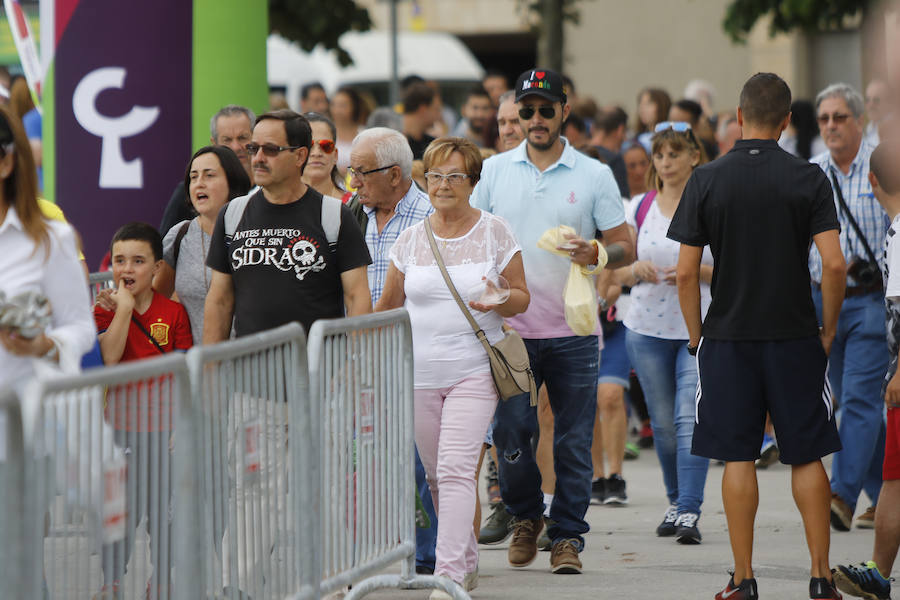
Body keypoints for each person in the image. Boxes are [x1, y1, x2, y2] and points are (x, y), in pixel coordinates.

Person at [669, 72, 845, 600]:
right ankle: (820, 578)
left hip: (727, 337)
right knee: (807, 454)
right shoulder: (809, 177)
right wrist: (827, 333)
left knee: (738, 456)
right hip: (794, 335)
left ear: (739, 117)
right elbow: (833, 266)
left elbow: (683, 272)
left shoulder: (706, 179)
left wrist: (699, 338)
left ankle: (744, 579)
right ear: (788, 122)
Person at [471, 67, 634, 575]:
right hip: (511, 333)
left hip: (573, 331)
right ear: (516, 114)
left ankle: (567, 537)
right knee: (513, 438)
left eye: (546, 109)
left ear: (566, 110)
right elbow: (473, 239)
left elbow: (625, 241)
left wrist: (598, 251)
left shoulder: (593, 174)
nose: (536, 119)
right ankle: (525, 518)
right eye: (527, 109)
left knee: (571, 441)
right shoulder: (495, 171)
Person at [376, 136, 529, 598]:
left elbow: (522, 298)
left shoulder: (494, 231)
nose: (443, 185)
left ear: (472, 182)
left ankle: (446, 576)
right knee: (437, 475)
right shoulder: (410, 239)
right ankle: (464, 562)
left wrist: (502, 298)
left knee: (458, 469)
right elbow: (388, 306)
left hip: (473, 370)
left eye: (454, 176)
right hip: (419, 374)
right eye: (436, 176)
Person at [349, 126, 437, 573]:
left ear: (396, 174)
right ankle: (382, 548)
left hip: (419, 355)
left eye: (361, 172)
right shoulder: (353, 214)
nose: (354, 182)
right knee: (374, 458)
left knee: (423, 462)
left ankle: (426, 558)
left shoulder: (431, 217)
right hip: (363, 359)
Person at [618, 121, 712, 543]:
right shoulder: (639, 206)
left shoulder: (712, 202)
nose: (666, 161)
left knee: (689, 418)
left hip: (700, 326)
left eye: (675, 153)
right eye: (660, 154)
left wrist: (697, 272)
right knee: (663, 422)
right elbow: (611, 270)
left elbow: (736, 265)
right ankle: (675, 501)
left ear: (694, 156)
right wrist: (632, 269)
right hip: (647, 327)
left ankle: (690, 510)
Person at [204, 109, 372, 341]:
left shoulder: (334, 215)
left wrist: (355, 364)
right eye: (254, 148)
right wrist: (211, 369)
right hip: (248, 371)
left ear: (300, 156)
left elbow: (357, 298)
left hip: (316, 371)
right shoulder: (232, 213)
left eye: (271, 149)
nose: (258, 158)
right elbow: (220, 300)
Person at [93, 222, 192, 598]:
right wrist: (123, 309)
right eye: (119, 261)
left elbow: (182, 371)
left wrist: (178, 425)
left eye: (137, 261)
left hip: (162, 432)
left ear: (157, 268)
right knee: (120, 512)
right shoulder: (105, 311)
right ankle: (112, 581)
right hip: (119, 431)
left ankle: (161, 581)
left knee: (163, 516)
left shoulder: (174, 313)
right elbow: (110, 355)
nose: (127, 269)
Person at [809, 83, 889, 533]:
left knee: (857, 401)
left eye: (840, 117)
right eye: (824, 119)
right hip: (822, 299)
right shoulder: (812, 172)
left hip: (872, 301)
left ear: (859, 120)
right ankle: (884, 495)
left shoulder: (883, 163)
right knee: (853, 403)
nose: (831, 126)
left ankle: (839, 494)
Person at [833, 139, 900, 600]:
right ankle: (878, 572)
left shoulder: (899, 237)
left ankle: (878, 573)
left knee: (895, 477)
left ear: (871, 181)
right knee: (893, 478)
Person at [0, 104, 94, 390]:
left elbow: (80, 328)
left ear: (7, 163)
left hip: (22, 422)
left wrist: (44, 346)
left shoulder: (51, 239)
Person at [154, 146, 251, 343]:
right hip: (197, 366)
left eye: (209, 176)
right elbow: (154, 300)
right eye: (194, 177)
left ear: (231, 181)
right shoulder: (180, 235)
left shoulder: (255, 233)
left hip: (253, 364)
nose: (199, 184)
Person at [159, 105, 256, 235]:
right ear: (214, 143)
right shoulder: (188, 192)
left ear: (255, 139)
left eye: (242, 138)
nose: (236, 146)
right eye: (227, 140)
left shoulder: (267, 190)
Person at [302, 112, 350, 202]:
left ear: (335, 155)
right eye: (308, 145)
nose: (316, 153)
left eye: (326, 146)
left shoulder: (353, 206)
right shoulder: (279, 204)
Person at [592, 106, 630, 198]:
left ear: (593, 128)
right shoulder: (615, 161)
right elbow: (622, 200)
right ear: (620, 130)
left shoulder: (576, 152)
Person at [332, 86, 369, 173]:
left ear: (354, 107)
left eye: (342, 105)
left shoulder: (364, 134)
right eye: (334, 105)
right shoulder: (326, 133)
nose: (337, 110)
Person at [403, 82, 439, 159]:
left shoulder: (432, 144)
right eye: (436, 110)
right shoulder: (395, 144)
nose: (438, 116)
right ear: (423, 109)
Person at [635, 87, 671, 152]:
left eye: (648, 104)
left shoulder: (672, 138)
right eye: (641, 104)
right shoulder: (637, 138)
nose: (642, 109)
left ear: (662, 106)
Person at [865, 79, 893, 148]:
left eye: (876, 100)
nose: (870, 105)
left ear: (888, 103)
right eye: (867, 100)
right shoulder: (870, 127)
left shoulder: (893, 130)